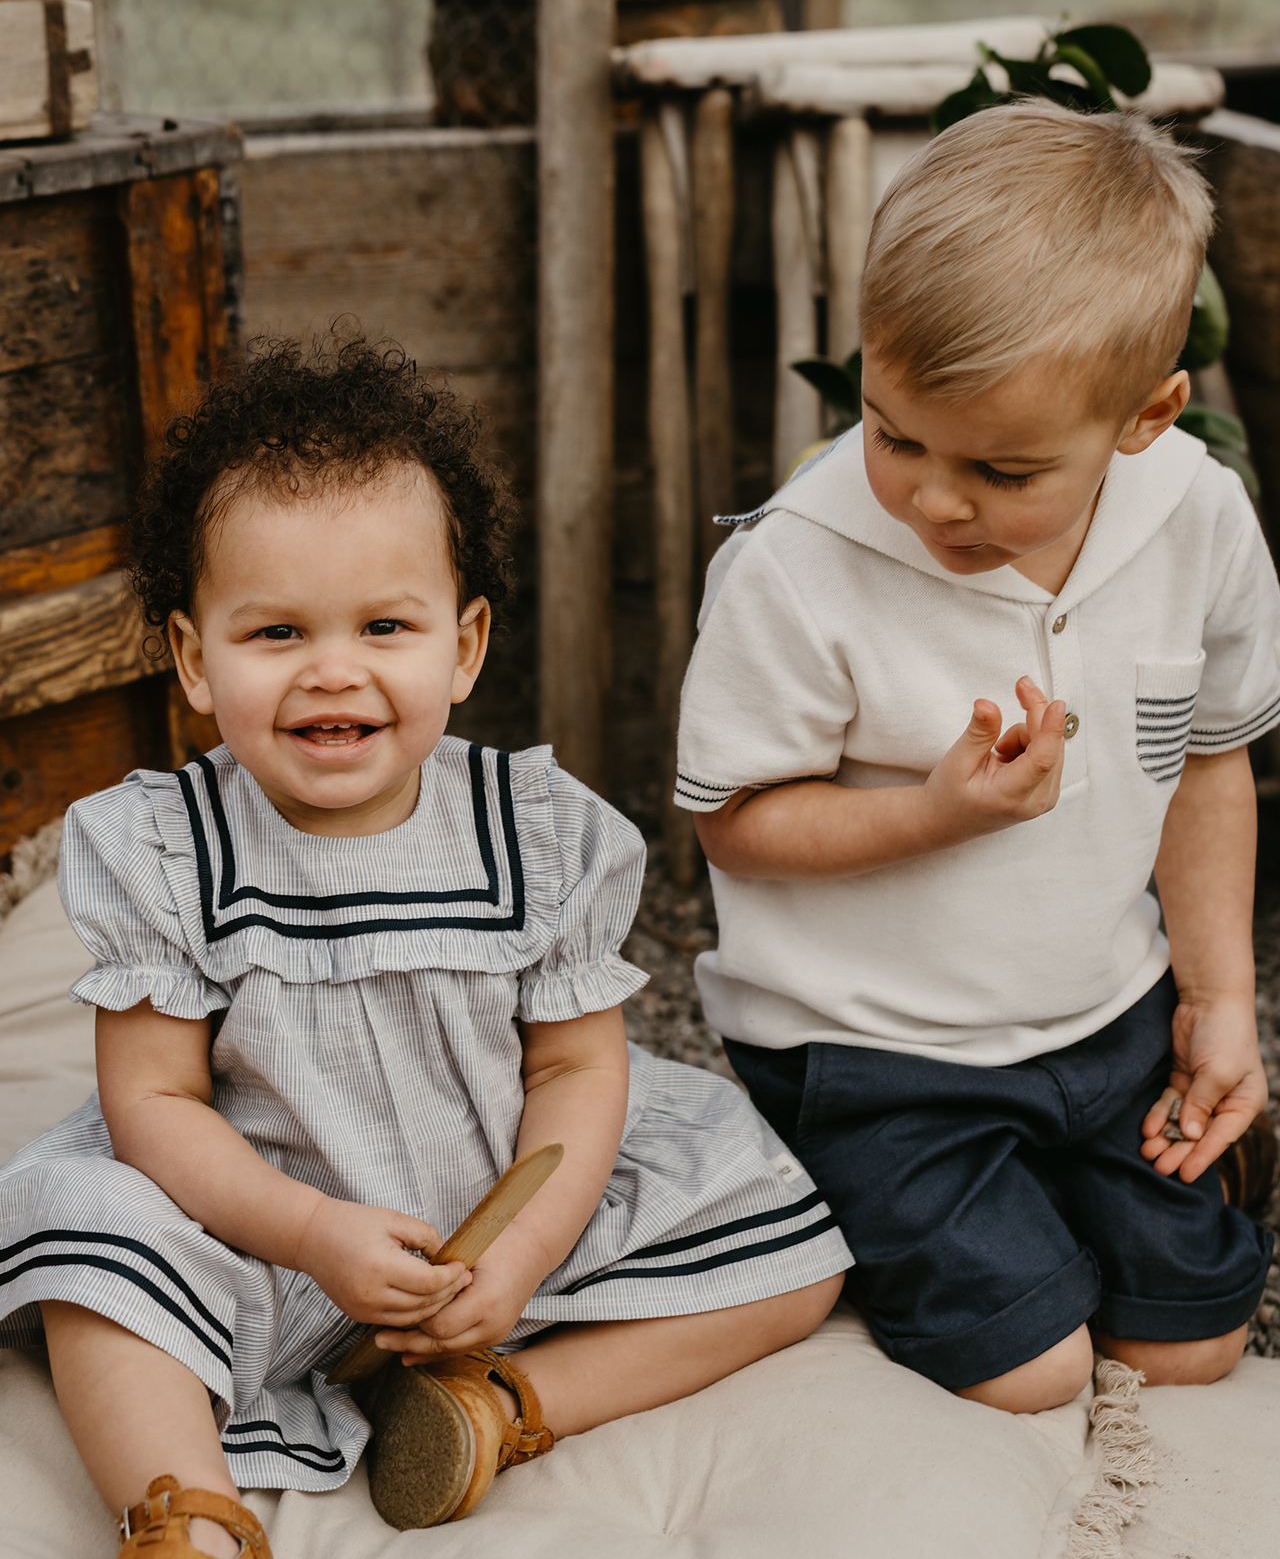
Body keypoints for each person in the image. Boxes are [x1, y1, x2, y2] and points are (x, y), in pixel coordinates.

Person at [0, 337, 850, 1558]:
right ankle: (183, 1511)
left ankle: (496, 1405)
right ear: (194, 658)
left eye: (385, 625)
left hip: (489, 1227)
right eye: (276, 633)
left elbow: (573, 1073)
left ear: (463, 644)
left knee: (791, 1252)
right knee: (83, 1247)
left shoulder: (538, 833)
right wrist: (307, 1233)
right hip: (251, 1233)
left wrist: (522, 1249)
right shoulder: (164, 847)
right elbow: (152, 1104)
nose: (332, 669)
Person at [676, 101, 1278, 1417]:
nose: (936, 499)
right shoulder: (800, 561)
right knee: (1035, 1374)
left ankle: (1029, 1206)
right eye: (895, 436)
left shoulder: (1201, 518)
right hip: (871, 1046)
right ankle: (832, 1197)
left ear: (1148, 417)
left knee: (1193, 1347)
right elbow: (733, 822)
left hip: (1102, 1020)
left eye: (1000, 470)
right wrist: (933, 817)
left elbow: (1212, 765)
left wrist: (1218, 1002)